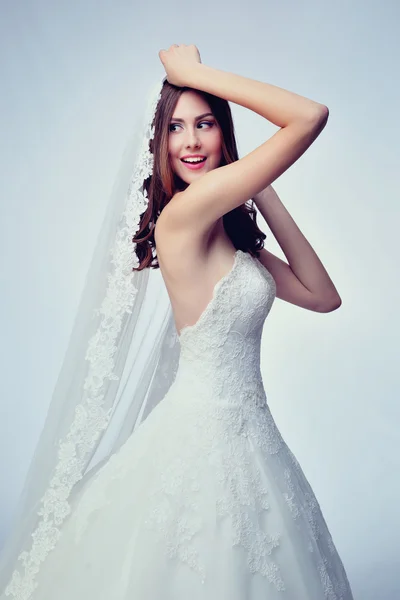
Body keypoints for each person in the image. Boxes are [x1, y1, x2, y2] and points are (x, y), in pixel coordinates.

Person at [0, 44, 354, 599]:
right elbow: (308, 116)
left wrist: (256, 180)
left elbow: (321, 295)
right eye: (175, 128)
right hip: (201, 436)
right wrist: (195, 75)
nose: (190, 141)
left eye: (206, 124)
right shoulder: (183, 217)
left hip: (254, 438)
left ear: (224, 135)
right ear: (159, 144)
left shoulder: (233, 239)